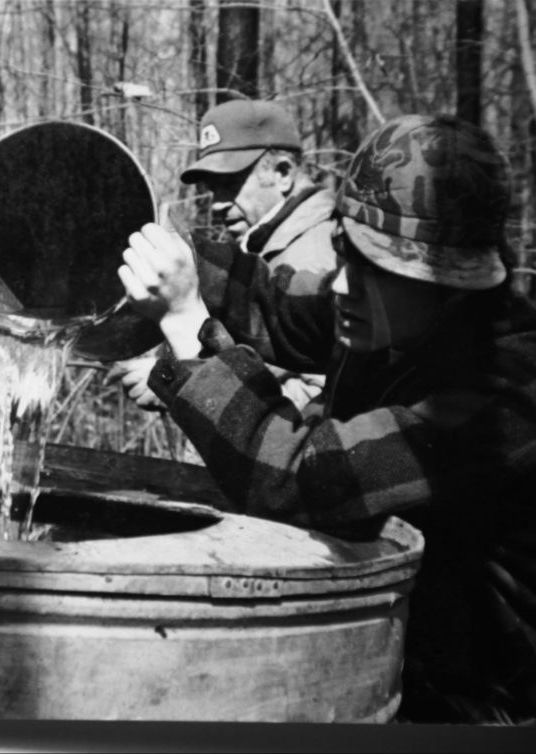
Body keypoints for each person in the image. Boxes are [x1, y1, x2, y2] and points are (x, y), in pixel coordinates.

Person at [117, 113, 536, 725]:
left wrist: (185, 324)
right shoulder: (384, 309)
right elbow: (267, 303)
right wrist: (158, 251)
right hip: (387, 650)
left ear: (448, 286)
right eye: (344, 248)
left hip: (476, 706)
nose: (341, 284)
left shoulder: (507, 398)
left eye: (375, 268)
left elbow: (296, 477)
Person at [110, 99, 336, 411]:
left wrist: (175, 380)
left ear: (283, 173)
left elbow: (319, 413)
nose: (217, 203)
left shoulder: (312, 258)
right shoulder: (270, 246)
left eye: (230, 185)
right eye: (213, 188)